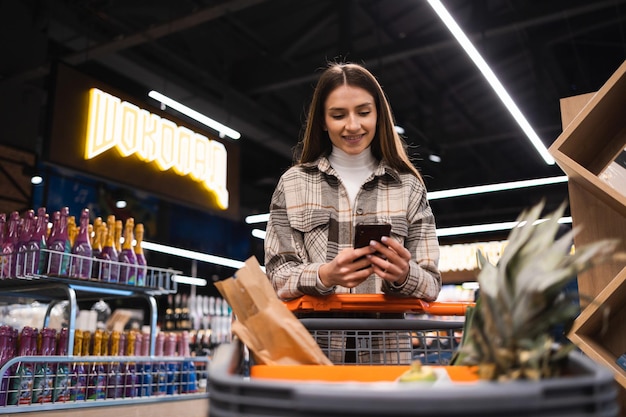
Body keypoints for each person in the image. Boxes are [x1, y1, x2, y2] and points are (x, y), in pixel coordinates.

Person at [264, 62, 442, 364]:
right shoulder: (293, 183)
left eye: (363, 112)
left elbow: (431, 283)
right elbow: (277, 276)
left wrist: (403, 275)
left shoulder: (408, 187)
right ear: (322, 120)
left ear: (378, 114)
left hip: (385, 357)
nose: (353, 125)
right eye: (338, 115)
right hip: (312, 352)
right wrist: (324, 274)